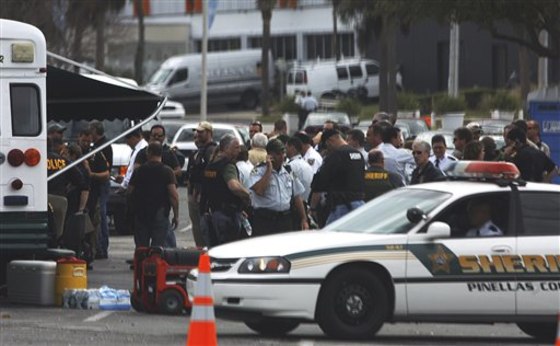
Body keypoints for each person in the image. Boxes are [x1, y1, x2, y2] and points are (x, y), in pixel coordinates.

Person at [135, 124, 181, 247]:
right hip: (143, 207)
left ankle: (160, 258)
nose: (156, 137)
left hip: (161, 207)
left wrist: (167, 173)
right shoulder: (141, 156)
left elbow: (177, 171)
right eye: (154, 135)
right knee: (146, 243)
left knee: (161, 240)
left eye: (159, 135)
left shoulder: (169, 156)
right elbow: (132, 185)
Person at [200, 134, 251, 246]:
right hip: (227, 217)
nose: (239, 150)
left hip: (212, 214)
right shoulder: (228, 166)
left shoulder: (210, 165)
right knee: (230, 250)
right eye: (236, 147)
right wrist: (247, 195)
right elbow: (233, 186)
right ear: (227, 148)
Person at [250, 139, 309, 236]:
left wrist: (304, 218)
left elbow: (297, 196)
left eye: (283, 153)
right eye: (278, 154)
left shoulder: (288, 170)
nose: (282, 157)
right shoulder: (259, 171)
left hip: (284, 220)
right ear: (270, 155)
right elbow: (259, 190)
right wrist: (269, 169)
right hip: (265, 220)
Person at [309, 129, 365, 225]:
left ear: (330, 141)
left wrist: (313, 208)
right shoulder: (358, 155)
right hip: (359, 204)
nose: (327, 149)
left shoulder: (335, 156)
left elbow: (319, 184)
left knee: (331, 236)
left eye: (326, 146)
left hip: (341, 207)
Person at [47, 138, 89, 241]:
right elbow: (80, 179)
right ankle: (57, 246)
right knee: (59, 230)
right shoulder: (63, 160)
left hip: (42, 199)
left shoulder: (36, 160)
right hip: (60, 199)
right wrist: (68, 187)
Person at [78, 129, 110, 260]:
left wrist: (92, 174)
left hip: (93, 195)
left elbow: (106, 174)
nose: (86, 143)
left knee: (94, 225)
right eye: (83, 140)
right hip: (76, 196)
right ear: (79, 137)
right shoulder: (73, 152)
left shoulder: (96, 154)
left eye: (88, 140)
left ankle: (92, 252)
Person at [186, 121, 217, 248]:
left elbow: (211, 173)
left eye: (201, 132)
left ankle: (205, 253)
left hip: (203, 196)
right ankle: (200, 250)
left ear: (209, 133)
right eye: (196, 132)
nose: (197, 134)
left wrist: (201, 191)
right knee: (197, 227)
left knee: (204, 227)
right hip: (194, 194)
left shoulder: (211, 150)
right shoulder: (198, 151)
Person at [89, 121, 113, 259]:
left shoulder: (103, 146)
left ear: (96, 131)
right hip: (99, 184)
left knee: (101, 215)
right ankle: (99, 246)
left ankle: (102, 247)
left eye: (91, 131)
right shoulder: (100, 145)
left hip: (102, 184)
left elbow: (106, 169)